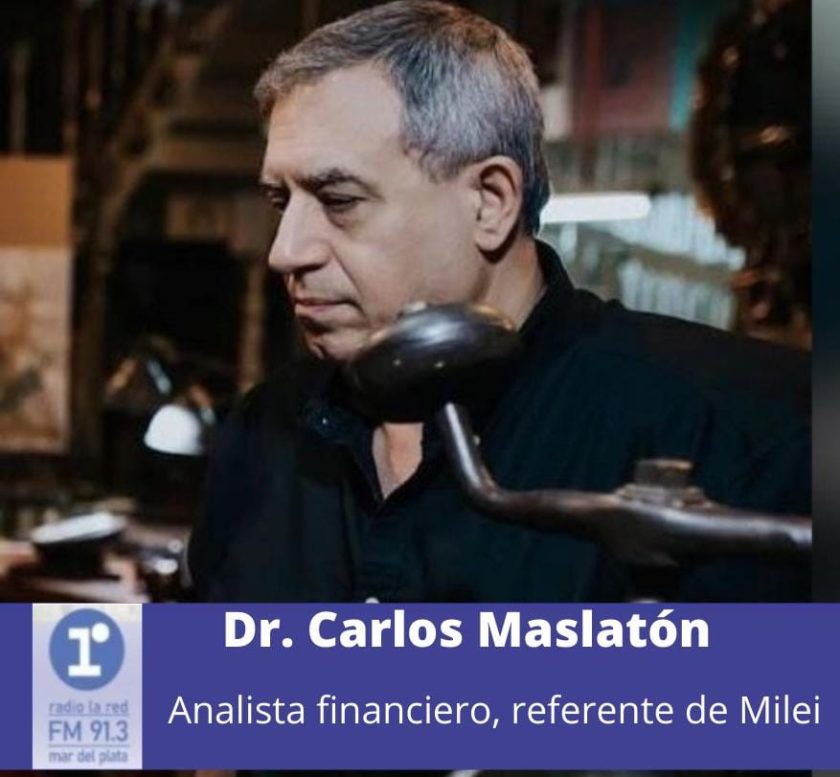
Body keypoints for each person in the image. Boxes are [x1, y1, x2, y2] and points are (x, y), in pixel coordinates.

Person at [188, 0, 810, 604]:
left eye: (339, 200)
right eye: (282, 202)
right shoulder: (260, 433)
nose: (285, 252)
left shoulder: (742, 437)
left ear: (490, 202)